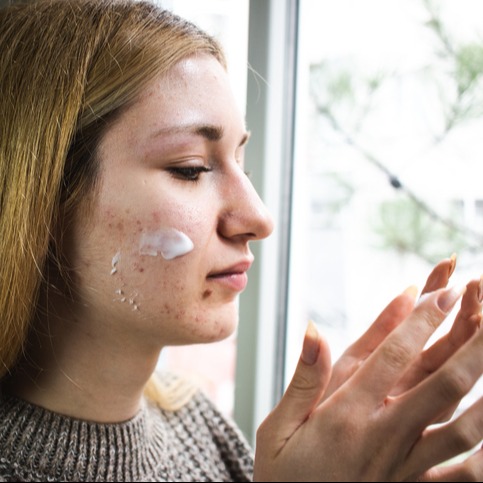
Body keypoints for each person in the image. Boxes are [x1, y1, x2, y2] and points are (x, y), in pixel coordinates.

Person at [0, 0, 482, 481]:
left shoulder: (199, 429)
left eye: (241, 162)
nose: (259, 217)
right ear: (40, 203)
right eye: (190, 168)